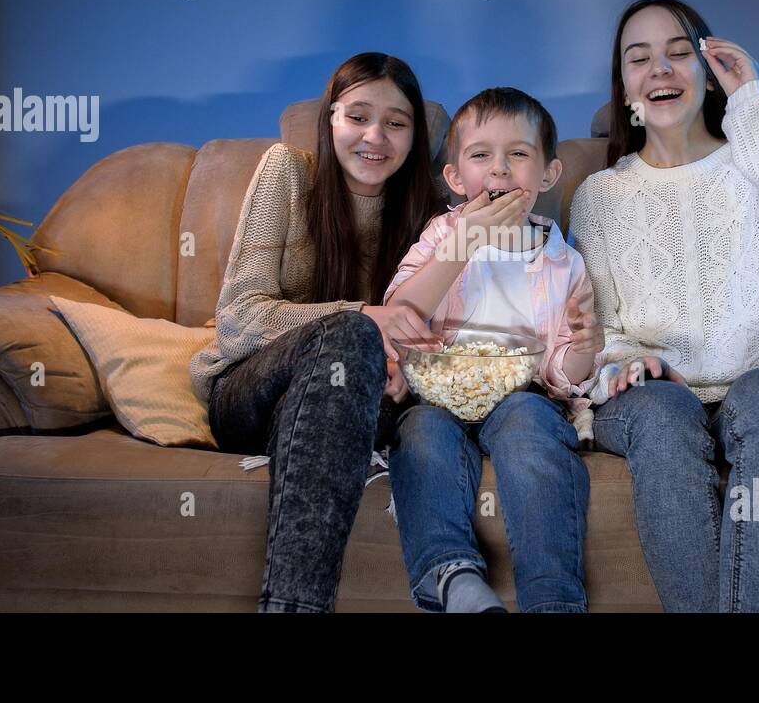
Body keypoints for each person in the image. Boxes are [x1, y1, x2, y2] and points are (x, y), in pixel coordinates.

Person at [569, 0, 759, 612]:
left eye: (678, 54)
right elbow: (603, 332)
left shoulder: (751, 161)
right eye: (640, 59)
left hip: (755, 380)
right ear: (624, 85)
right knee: (663, 413)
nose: (660, 70)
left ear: (709, 67)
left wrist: (751, 101)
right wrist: (632, 365)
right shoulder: (597, 197)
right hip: (648, 397)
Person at [189, 52, 443, 612]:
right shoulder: (287, 171)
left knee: (357, 366)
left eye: (396, 123)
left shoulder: (431, 213)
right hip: (247, 392)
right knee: (352, 336)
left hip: (343, 407)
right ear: (330, 120)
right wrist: (360, 314)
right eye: (357, 116)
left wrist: (407, 374)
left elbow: (441, 339)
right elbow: (238, 320)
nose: (374, 136)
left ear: (414, 136)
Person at [383, 87, 602, 612]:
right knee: (418, 433)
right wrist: (467, 239)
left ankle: (552, 595)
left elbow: (562, 369)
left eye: (518, 155)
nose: (499, 170)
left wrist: (584, 348)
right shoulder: (442, 235)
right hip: (437, 395)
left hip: (521, 394)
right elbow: (399, 317)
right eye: (481, 155)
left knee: (532, 423)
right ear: (456, 178)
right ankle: (452, 579)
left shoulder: (563, 260)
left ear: (548, 174)